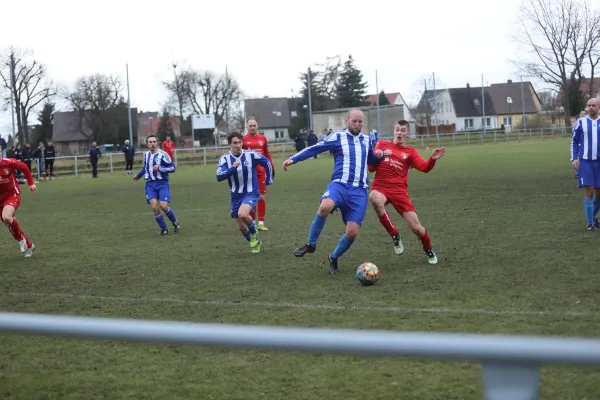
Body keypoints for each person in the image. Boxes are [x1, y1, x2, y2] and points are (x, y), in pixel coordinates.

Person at [282, 108, 385, 275]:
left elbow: (371, 160)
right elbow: (315, 148)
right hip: (339, 185)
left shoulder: (367, 140)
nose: (357, 124)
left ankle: (334, 257)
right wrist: (293, 159)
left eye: (360, 122)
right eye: (354, 121)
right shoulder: (338, 137)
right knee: (325, 206)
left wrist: (379, 156)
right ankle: (311, 244)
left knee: (352, 232)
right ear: (347, 121)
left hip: (359, 191)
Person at [368, 120, 446, 265]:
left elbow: (424, 168)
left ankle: (428, 249)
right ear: (393, 131)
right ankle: (395, 235)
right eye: (397, 129)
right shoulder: (382, 145)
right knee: (374, 198)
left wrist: (432, 159)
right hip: (380, 186)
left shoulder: (410, 152)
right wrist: (379, 155)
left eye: (403, 130)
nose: (399, 132)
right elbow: (371, 168)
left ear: (407, 133)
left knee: (416, 228)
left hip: (399, 192)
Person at [217, 131, 273, 254]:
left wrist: (268, 178)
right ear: (229, 144)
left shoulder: (251, 155)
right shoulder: (225, 158)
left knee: (243, 214)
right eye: (234, 143)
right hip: (236, 195)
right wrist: (232, 168)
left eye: (239, 142)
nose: (237, 145)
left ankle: (254, 233)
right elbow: (219, 177)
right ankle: (257, 243)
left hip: (251, 191)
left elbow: (267, 162)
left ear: (242, 142)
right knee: (241, 227)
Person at [133, 135, 180, 235]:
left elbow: (172, 168)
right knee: (154, 207)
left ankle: (175, 222)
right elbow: (145, 168)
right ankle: (164, 229)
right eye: (150, 142)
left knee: (163, 206)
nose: (152, 144)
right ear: (147, 144)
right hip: (150, 184)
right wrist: (138, 175)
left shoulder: (163, 154)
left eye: (154, 142)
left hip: (162, 184)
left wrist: (160, 168)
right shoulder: (146, 155)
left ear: (157, 143)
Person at [0, 150, 38, 257]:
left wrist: (31, 184)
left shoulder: (9, 162)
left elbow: (25, 168)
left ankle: (21, 240)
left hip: (12, 195)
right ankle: (29, 245)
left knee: (7, 217)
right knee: (10, 224)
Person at [571, 98, 600, 230]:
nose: (591, 107)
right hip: (585, 161)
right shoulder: (580, 122)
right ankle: (590, 224)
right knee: (590, 190)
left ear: (598, 107)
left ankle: (593, 217)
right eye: (589, 106)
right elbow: (574, 141)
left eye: (593, 105)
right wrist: (574, 159)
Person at [242, 117, 274, 231]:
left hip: (261, 173)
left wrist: (272, 167)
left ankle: (261, 222)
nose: (252, 127)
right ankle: (251, 223)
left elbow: (266, 154)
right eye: (250, 126)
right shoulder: (243, 140)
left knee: (261, 197)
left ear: (257, 126)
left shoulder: (263, 138)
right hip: (249, 174)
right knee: (250, 198)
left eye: (254, 125)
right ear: (246, 127)